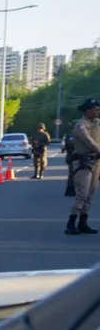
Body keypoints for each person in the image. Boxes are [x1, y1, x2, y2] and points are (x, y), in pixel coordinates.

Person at [67, 99, 100, 235]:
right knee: (82, 194)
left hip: (96, 162)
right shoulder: (81, 125)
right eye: (94, 109)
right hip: (83, 163)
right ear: (86, 111)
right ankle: (71, 223)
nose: (97, 111)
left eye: (98, 109)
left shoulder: (98, 123)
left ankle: (83, 222)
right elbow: (89, 142)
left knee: (90, 195)